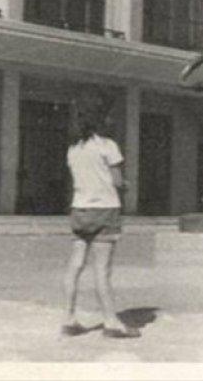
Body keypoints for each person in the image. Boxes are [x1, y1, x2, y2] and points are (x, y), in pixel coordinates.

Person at [61, 110, 139, 339]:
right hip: (105, 209)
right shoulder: (108, 145)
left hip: (79, 208)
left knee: (75, 265)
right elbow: (116, 181)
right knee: (102, 270)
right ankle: (111, 321)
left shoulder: (73, 149)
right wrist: (125, 184)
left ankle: (68, 319)